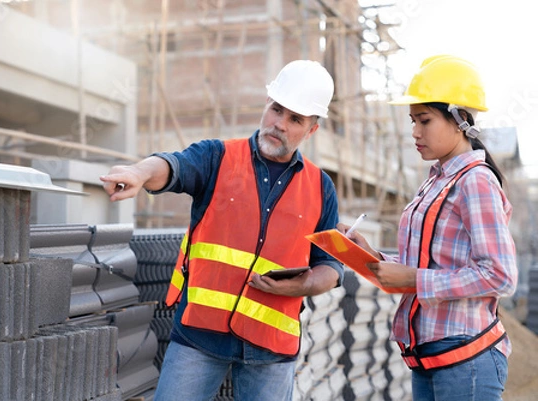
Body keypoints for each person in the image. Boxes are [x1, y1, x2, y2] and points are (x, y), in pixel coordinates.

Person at [101, 59, 343, 401]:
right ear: (266, 105)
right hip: (200, 337)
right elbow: (173, 165)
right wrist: (140, 173)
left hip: (271, 348)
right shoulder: (217, 156)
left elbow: (330, 267)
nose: (279, 124)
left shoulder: (321, 188)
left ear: (311, 130)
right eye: (276, 109)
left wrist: (305, 283)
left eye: (295, 119)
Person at [338, 55, 518, 401]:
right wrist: (371, 254)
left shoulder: (475, 182)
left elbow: (500, 275)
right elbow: (430, 262)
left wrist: (412, 279)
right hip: (429, 361)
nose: (415, 132)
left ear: (460, 120)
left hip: (466, 363)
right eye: (412, 121)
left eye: (424, 120)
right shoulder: (434, 180)